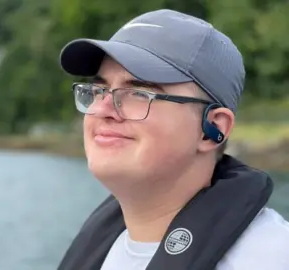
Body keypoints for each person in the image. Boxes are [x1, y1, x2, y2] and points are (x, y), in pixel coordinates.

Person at [56, 9, 289, 270]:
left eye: (139, 92)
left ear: (211, 128)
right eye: (98, 90)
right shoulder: (102, 248)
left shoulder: (273, 257)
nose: (103, 109)